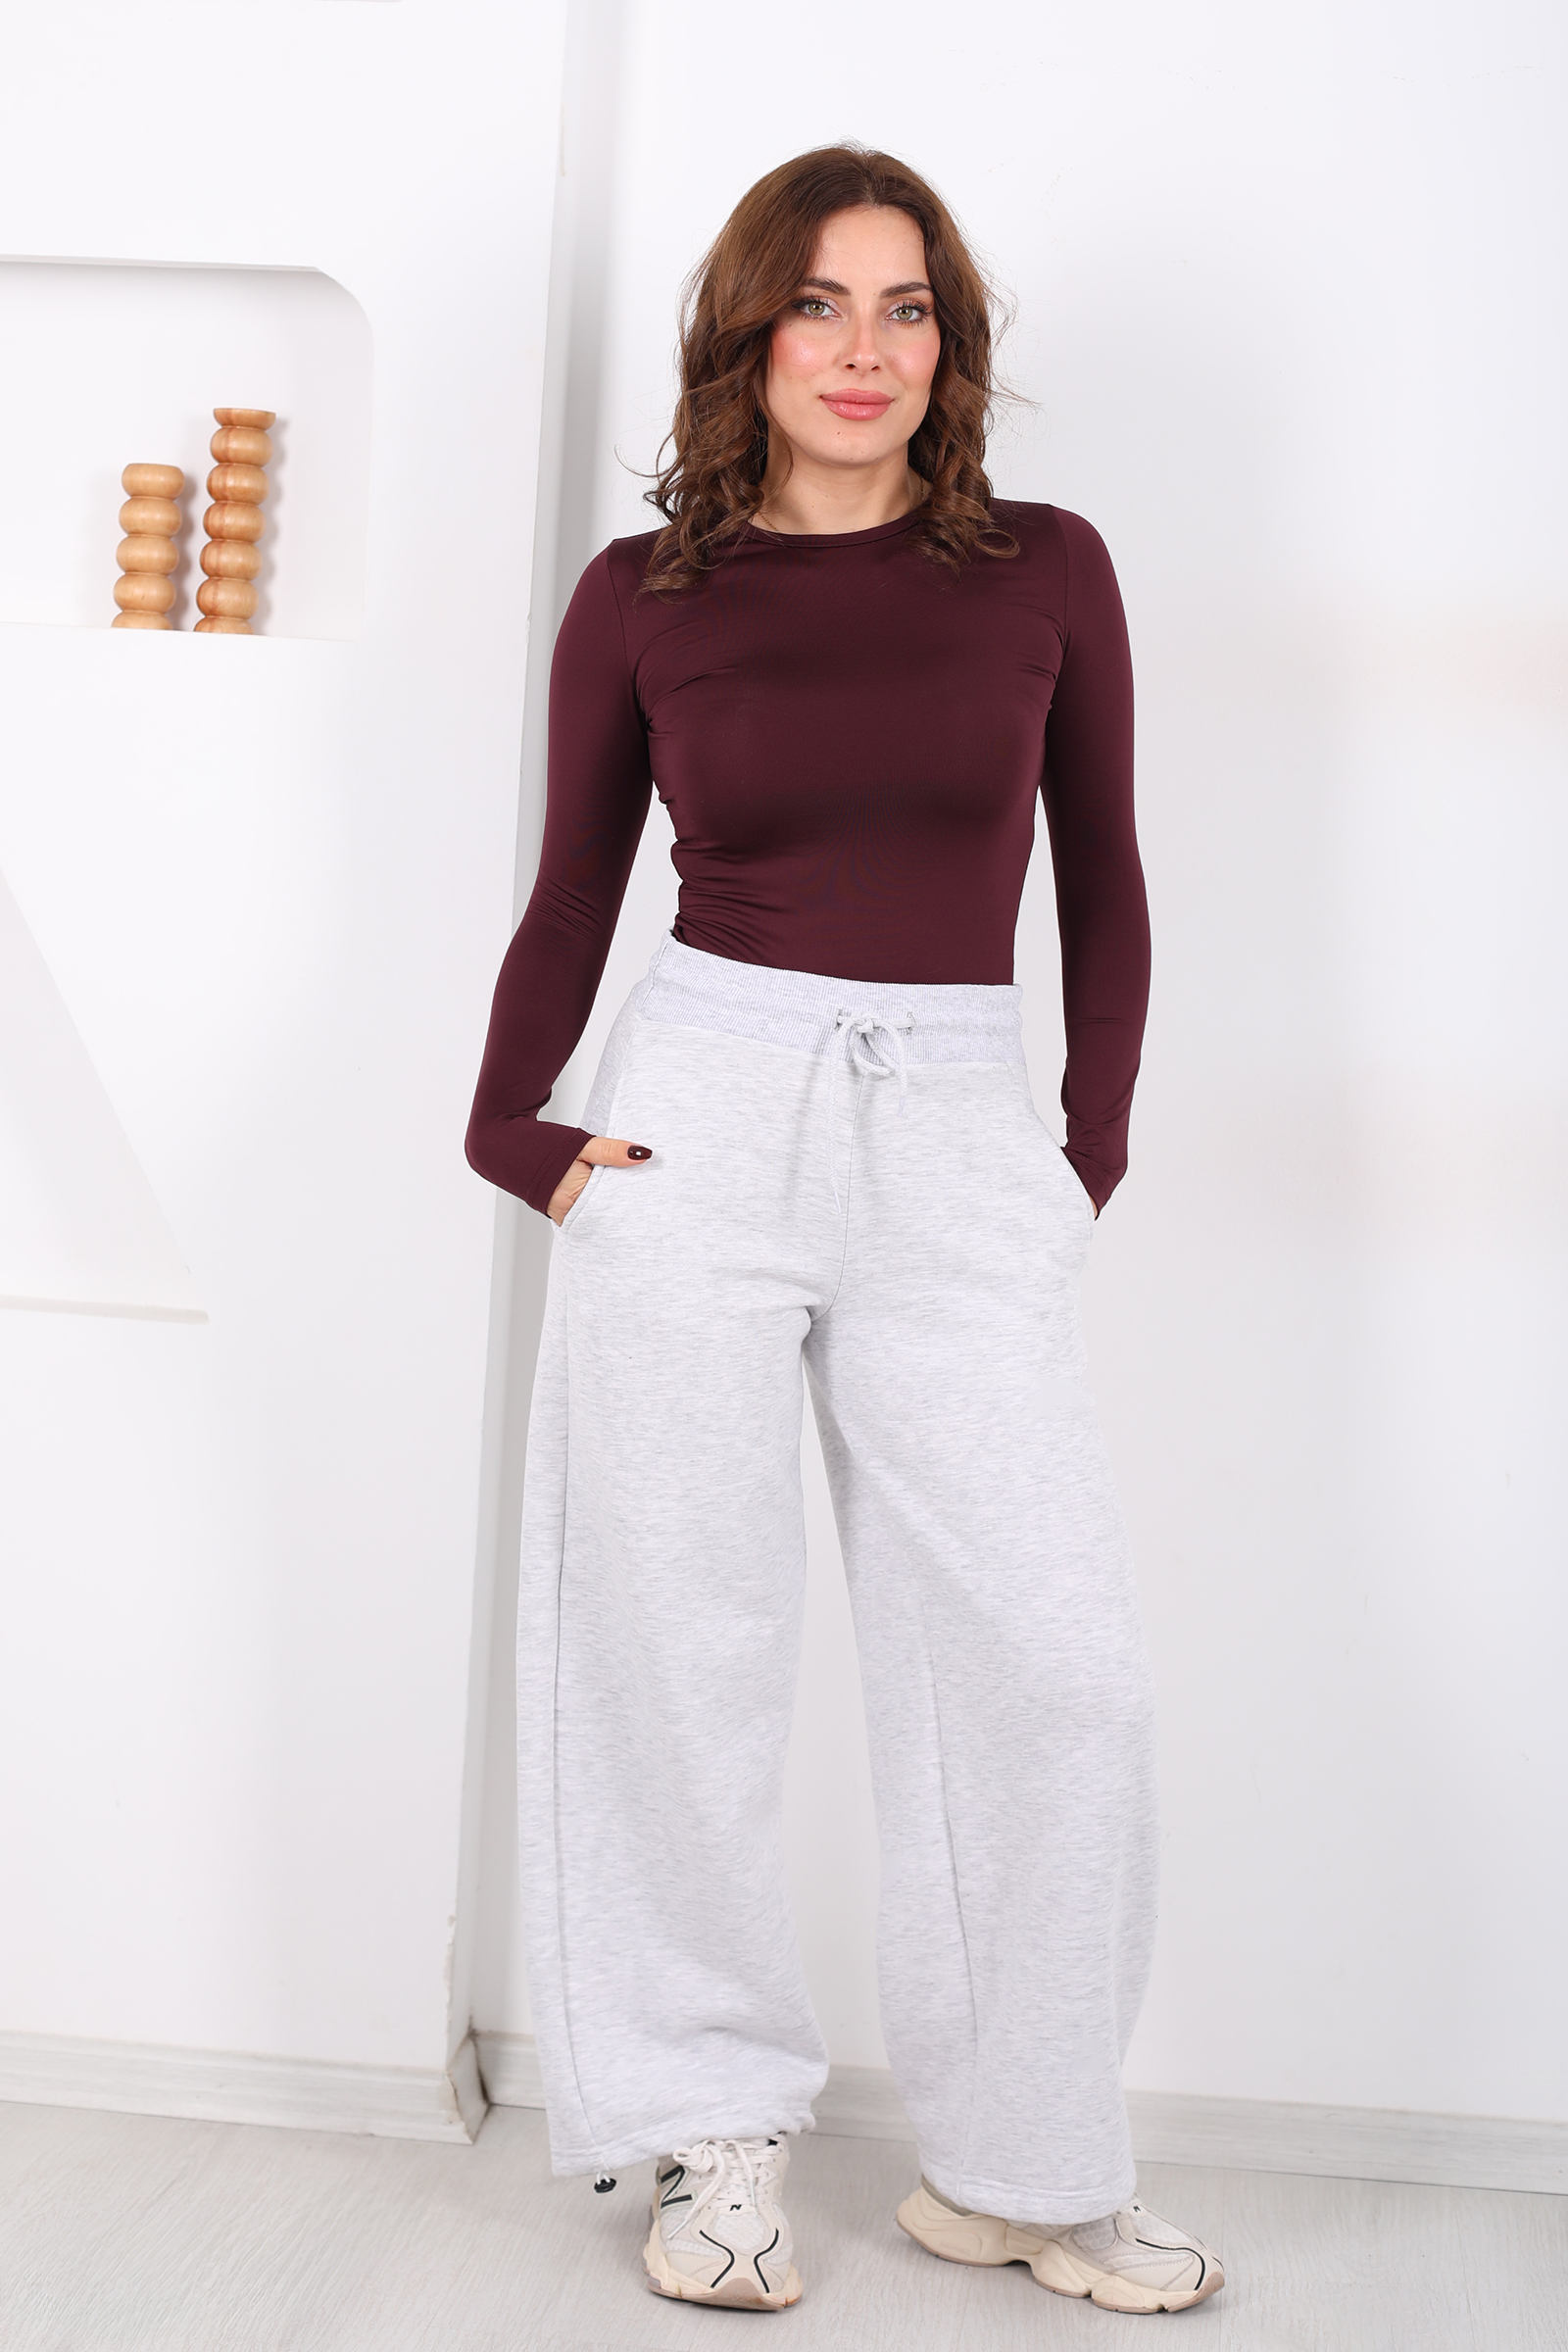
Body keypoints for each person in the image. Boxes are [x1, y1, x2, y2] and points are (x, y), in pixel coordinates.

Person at [466, 143, 1225, 2320]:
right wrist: (513, 1129)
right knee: (680, 1642)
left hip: (957, 1124)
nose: (863, 349)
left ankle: (1026, 2163)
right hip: (700, 1113)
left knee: (1047, 1661)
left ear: (949, 348)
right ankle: (711, 2126)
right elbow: (574, 884)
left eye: (907, 309)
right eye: (819, 304)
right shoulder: (646, 592)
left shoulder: (1045, 571)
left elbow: (1107, 875)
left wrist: (1076, 1150)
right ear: (750, 334)